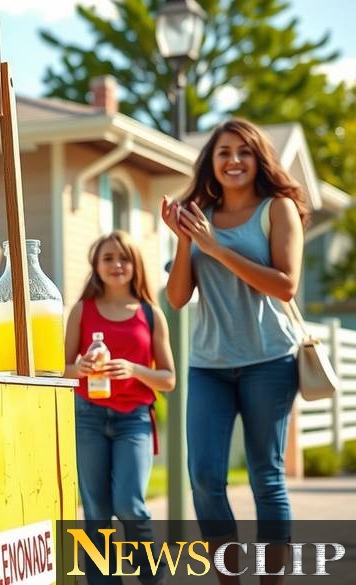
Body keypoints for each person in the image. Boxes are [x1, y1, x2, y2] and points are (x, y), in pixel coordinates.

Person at [162, 118, 305, 585]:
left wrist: (215, 247)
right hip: (209, 365)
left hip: (269, 360)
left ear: (258, 158)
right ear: (212, 161)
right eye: (224, 152)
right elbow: (178, 297)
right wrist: (187, 241)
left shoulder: (277, 209)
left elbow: (285, 286)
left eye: (244, 151)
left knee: (266, 477)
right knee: (203, 477)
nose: (234, 160)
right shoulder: (197, 215)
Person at [64, 231, 175, 585]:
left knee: (129, 504)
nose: (116, 265)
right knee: (97, 511)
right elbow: (59, 370)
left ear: (135, 265)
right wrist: (77, 369)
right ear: (95, 265)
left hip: (135, 421)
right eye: (108, 258)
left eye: (124, 258)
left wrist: (134, 369)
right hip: (88, 418)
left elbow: (169, 378)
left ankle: (151, 577)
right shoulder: (81, 310)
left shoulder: (150, 313)